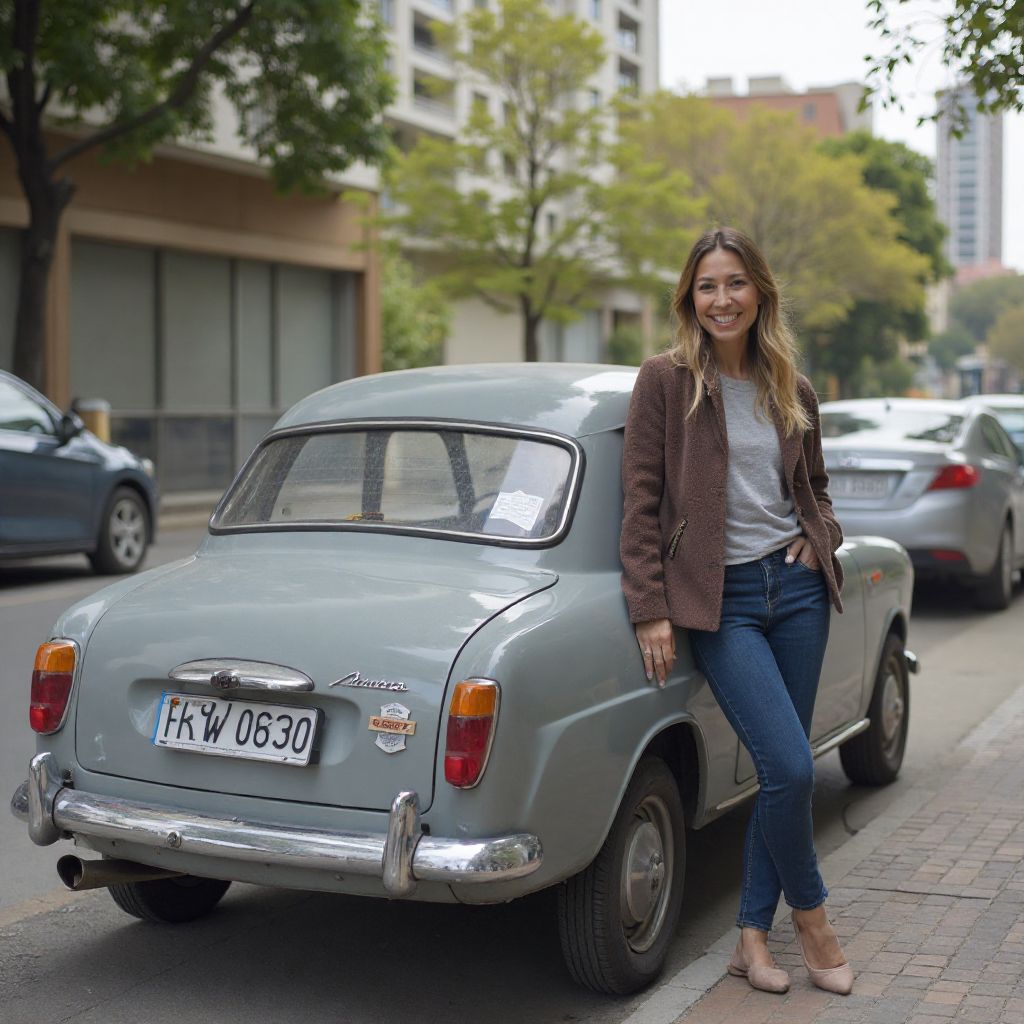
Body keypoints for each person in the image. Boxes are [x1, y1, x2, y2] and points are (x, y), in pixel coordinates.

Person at [619, 227, 854, 996]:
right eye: (707, 286)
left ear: (760, 292)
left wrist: (823, 542)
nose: (721, 299)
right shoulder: (666, 380)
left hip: (798, 596)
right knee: (788, 765)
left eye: (735, 284)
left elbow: (815, 491)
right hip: (723, 603)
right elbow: (642, 499)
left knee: (785, 775)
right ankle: (812, 918)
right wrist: (651, 607)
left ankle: (750, 940)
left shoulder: (791, 384)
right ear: (691, 296)